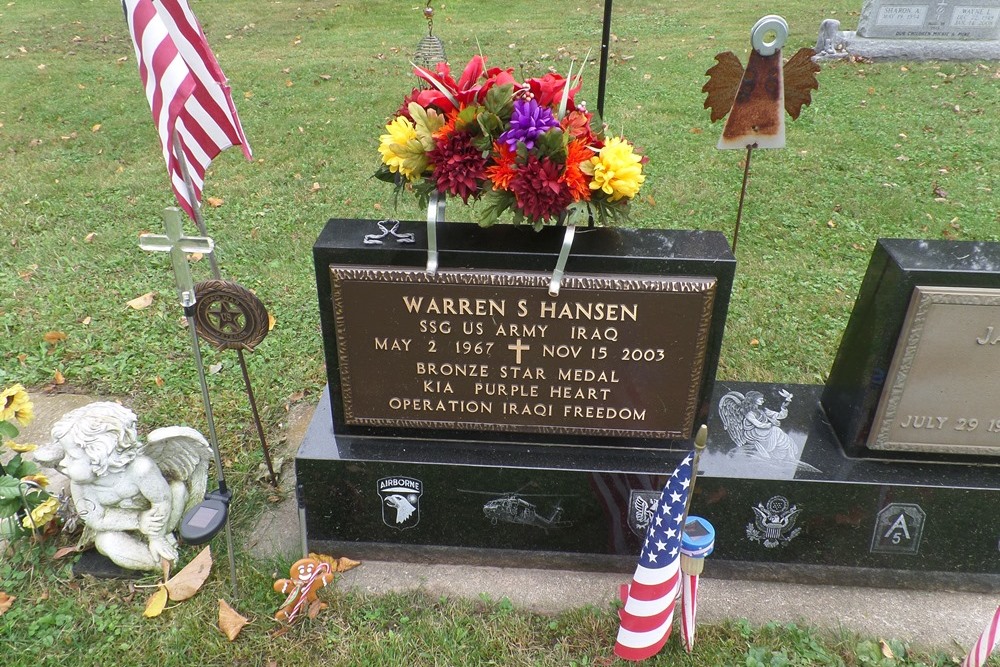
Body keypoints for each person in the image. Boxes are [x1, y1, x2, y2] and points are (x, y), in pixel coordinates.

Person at [35, 402, 209, 571]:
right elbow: (95, 518)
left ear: (99, 455)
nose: (63, 464)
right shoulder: (81, 484)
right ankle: (158, 563)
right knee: (106, 542)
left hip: (161, 519)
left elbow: (162, 500)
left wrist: (156, 537)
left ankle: (167, 538)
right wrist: (138, 521)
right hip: (118, 525)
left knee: (177, 490)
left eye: (71, 457)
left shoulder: (141, 469)